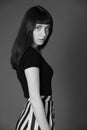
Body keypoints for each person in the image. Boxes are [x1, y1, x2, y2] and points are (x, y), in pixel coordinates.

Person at [10, 5, 55, 130]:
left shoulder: (32, 52)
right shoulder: (31, 55)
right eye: (38, 28)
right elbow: (35, 98)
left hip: (38, 116)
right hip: (36, 120)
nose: (44, 33)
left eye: (47, 28)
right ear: (28, 28)